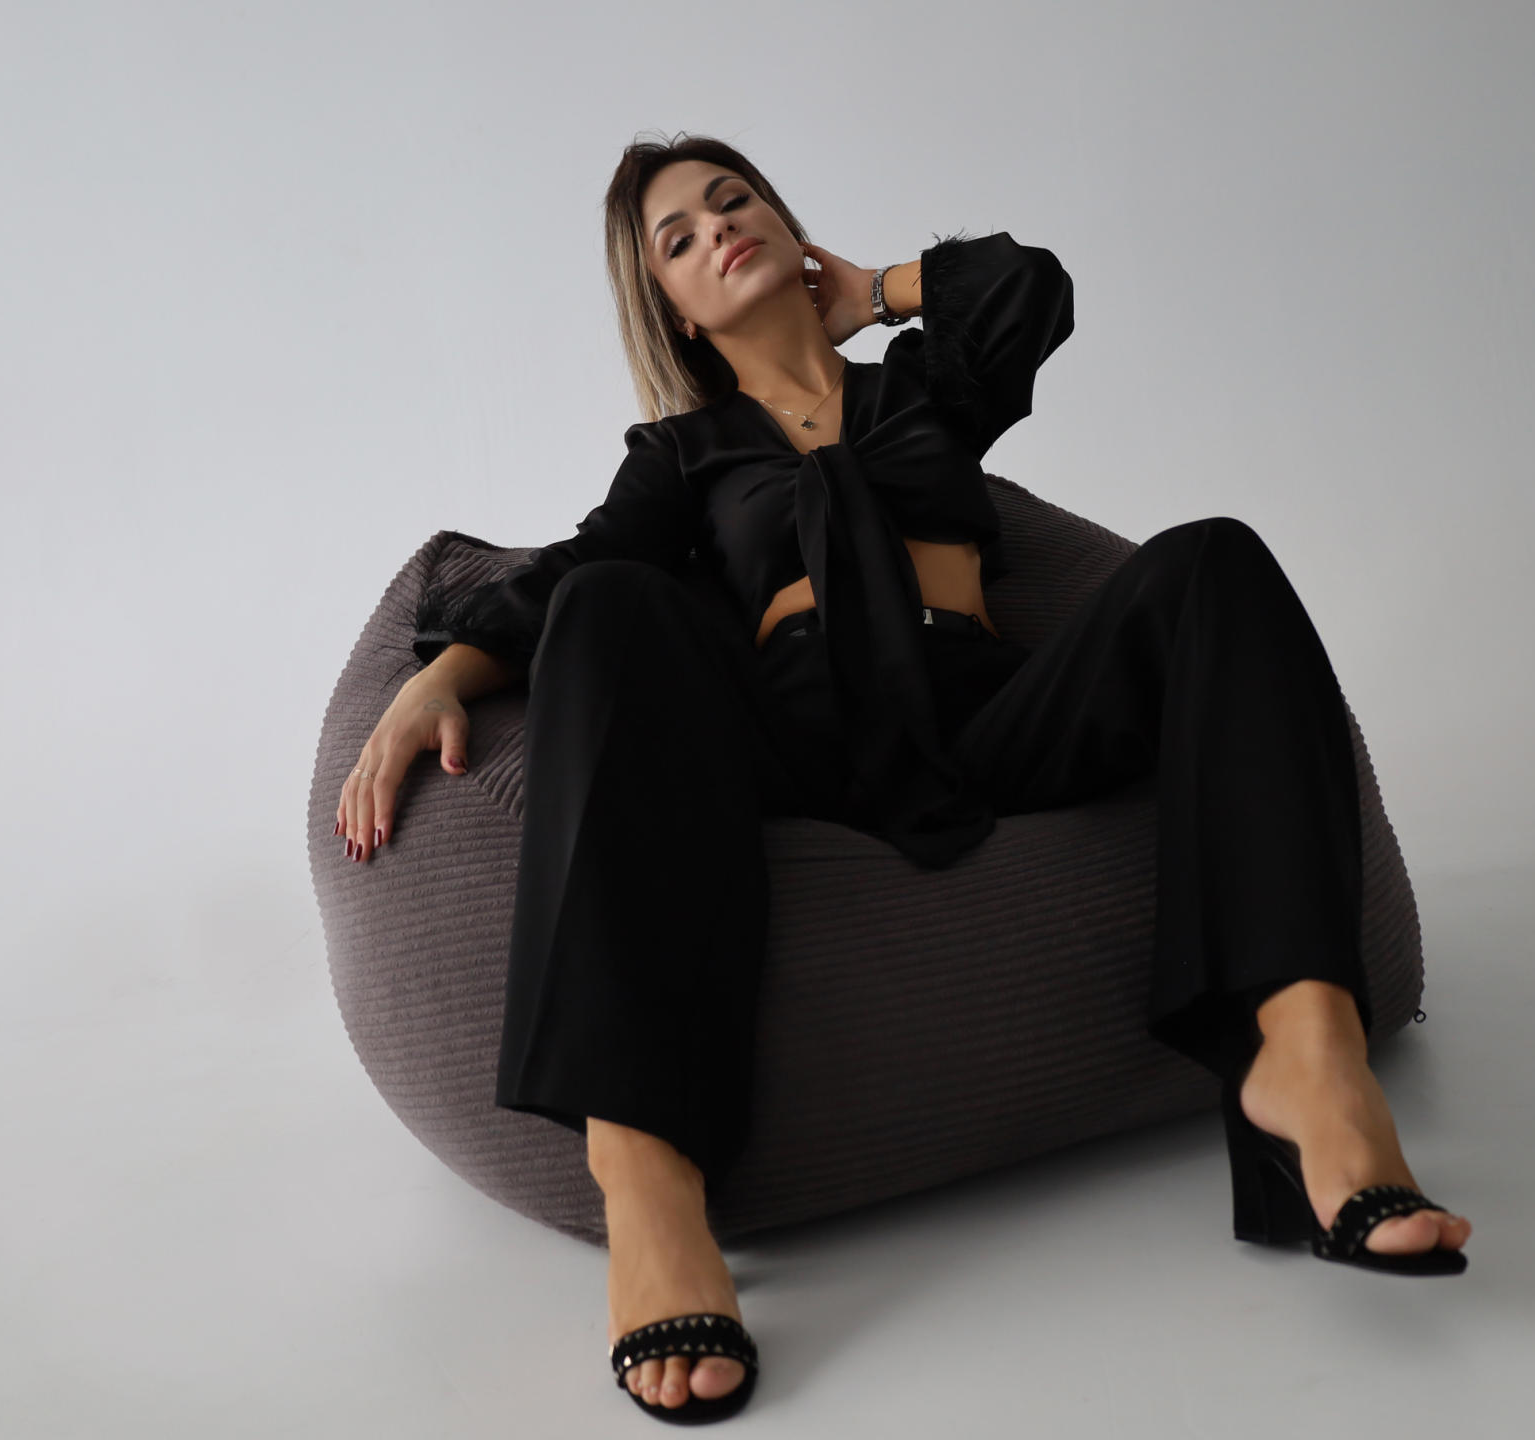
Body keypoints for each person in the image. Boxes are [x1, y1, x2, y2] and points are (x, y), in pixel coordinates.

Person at [335, 132, 1474, 1425]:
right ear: (674, 308)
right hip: (795, 744)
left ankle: (1309, 1064)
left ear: (787, 226)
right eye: (680, 239)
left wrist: (875, 291)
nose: (720, 231)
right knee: (609, 602)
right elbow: (565, 578)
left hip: (981, 715)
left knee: (1218, 561)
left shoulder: (923, 391)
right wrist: (440, 678)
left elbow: (1029, 288)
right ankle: (646, 1180)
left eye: (735, 202)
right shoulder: (684, 455)